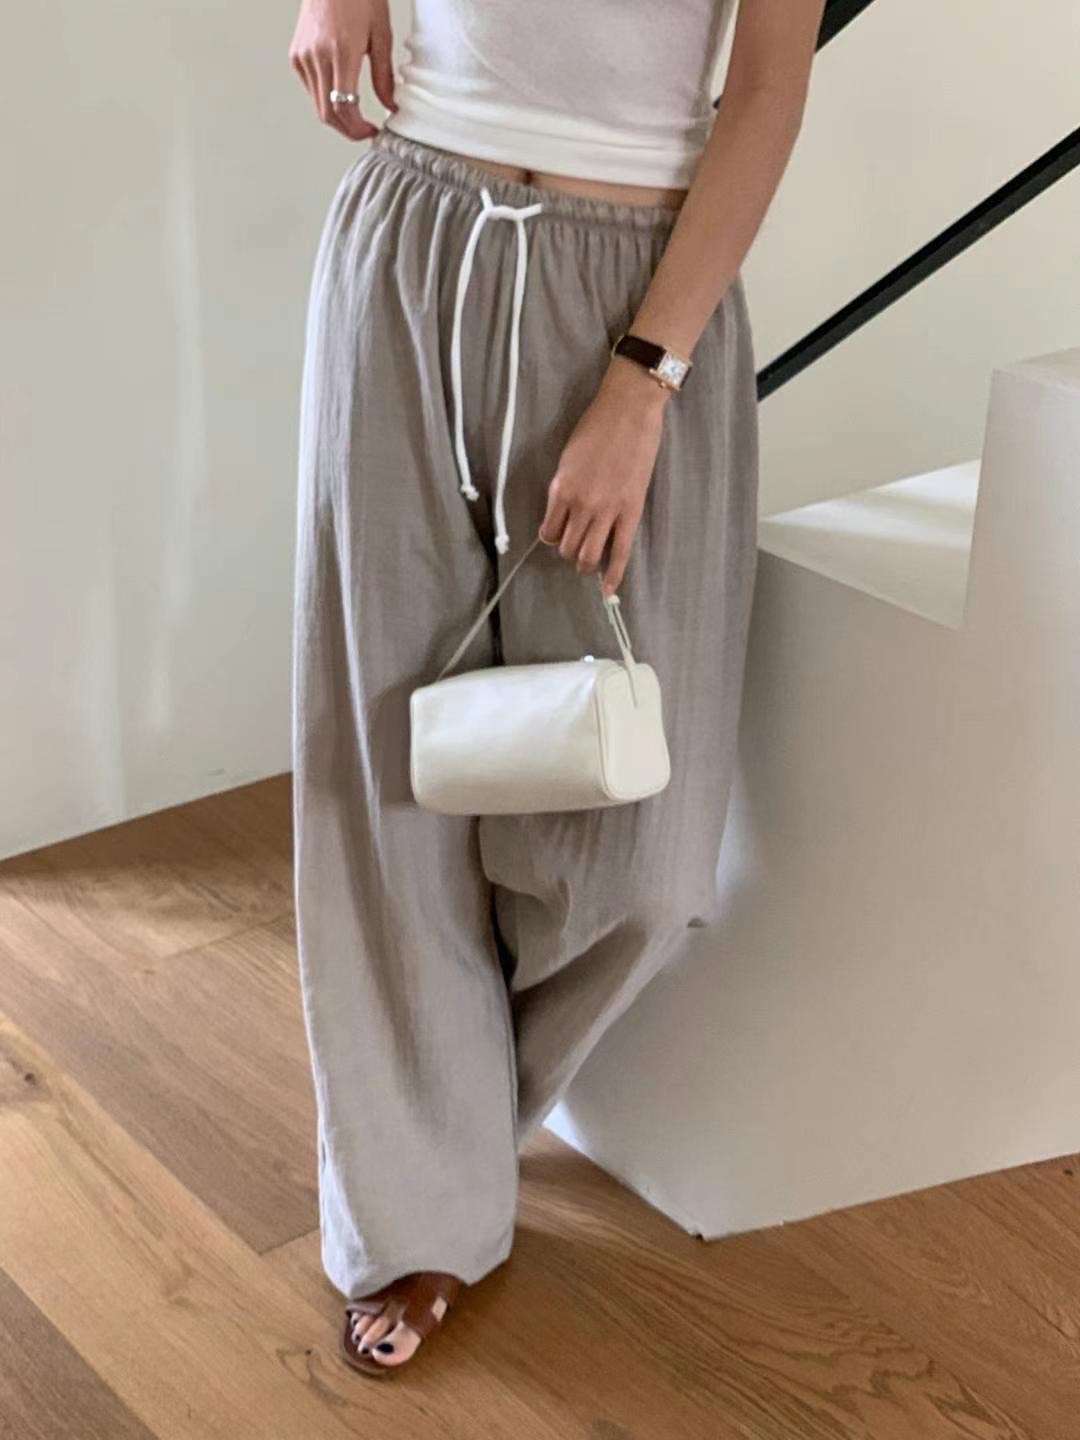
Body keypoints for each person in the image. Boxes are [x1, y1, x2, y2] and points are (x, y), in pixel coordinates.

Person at [288, 0, 825, 1377]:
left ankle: (440, 1126)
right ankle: (414, 1212)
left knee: (644, 864)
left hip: (634, 299)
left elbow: (766, 95)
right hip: (414, 230)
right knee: (384, 771)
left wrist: (644, 383)